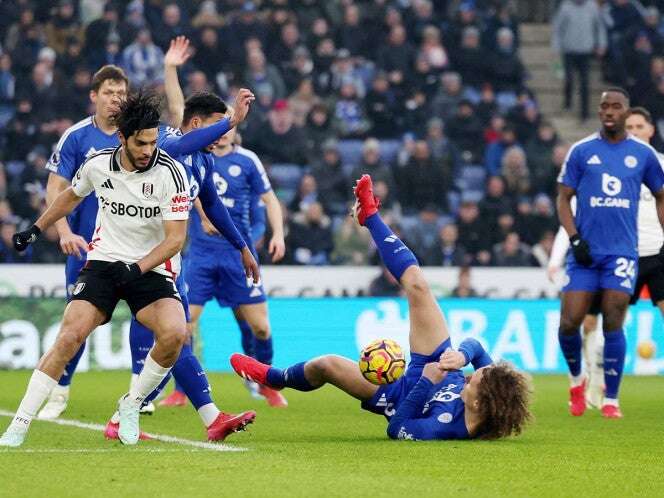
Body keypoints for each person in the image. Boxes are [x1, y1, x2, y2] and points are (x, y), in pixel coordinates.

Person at [231, 175, 532, 441]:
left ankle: (275, 379)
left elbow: (398, 428)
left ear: (478, 403)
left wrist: (427, 380)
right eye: (475, 374)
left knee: (327, 365)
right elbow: (477, 348)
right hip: (436, 360)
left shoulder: (445, 429)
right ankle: (370, 214)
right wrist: (462, 356)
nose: (473, 374)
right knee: (416, 284)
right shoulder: (487, 386)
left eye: (475, 379)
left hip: (398, 396)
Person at [0, 91, 191, 447]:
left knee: (174, 334)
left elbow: (175, 240)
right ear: (122, 138)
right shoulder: (97, 164)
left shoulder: (171, 173)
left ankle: (132, 403)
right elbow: (71, 195)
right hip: (103, 262)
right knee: (68, 337)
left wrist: (136, 269)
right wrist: (37, 228)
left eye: (152, 141)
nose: (149, 150)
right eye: (140, 142)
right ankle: (19, 425)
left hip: (150, 267)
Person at [106, 92, 262, 441]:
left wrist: (243, 247)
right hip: (134, 254)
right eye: (216, 127)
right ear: (195, 124)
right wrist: (232, 120)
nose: (223, 137)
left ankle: (197, 418)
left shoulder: (203, 163)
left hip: (167, 259)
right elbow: (184, 144)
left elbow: (213, 205)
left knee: (176, 338)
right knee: (171, 335)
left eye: (226, 129)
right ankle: (124, 414)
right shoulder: (165, 144)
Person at [166, 109, 288, 408]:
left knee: (260, 327)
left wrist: (278, 234)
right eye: (219, 124)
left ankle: (267, 384)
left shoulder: (247, 160)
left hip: (237, 255)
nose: (224, 131)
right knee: (184, 325)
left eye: (229, 124)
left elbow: (270, 199)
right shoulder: (194, 154)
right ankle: (181, 390)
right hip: (201, 255)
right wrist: (201, 213)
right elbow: (187, 190)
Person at [556, 89, 664, 419]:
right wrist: (574, 240)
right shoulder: (582, 150)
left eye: (616, 106)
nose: (609, 111)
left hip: (622, 253)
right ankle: (577, 381)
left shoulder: (643, 155)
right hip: (586, 253)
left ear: (625, 111)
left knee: (614, 319)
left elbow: (661, 195)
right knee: (570, 322)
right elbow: (563, 199)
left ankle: (611, 399)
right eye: (604, 106)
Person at [552, 0, 607, 122]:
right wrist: (556, 46)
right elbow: (557, 27)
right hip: (568, 50)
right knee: (569, 79)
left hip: (585, 51)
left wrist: (601, 44)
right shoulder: (565, 7)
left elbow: (599, 27)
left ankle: (584, 113)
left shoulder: (592, 6)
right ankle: (567, 102)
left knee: (584, 83)